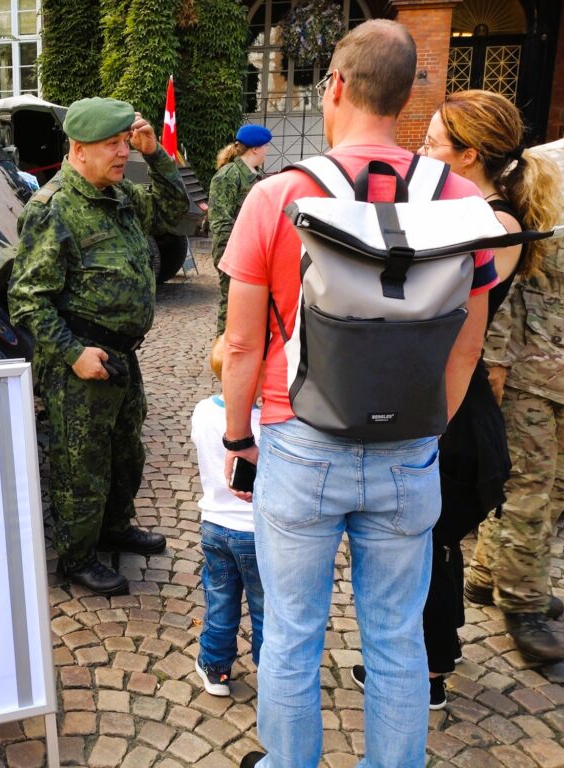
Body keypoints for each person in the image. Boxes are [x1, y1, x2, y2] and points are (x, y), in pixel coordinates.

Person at [220, 21, 498, 768]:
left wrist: (238, 436)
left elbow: (241, 344)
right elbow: (467, 344)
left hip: (301, 437)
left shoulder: (277, 194)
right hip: (410, 447)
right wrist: (425, 429)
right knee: (397, 637)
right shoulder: (459, 199)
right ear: (408, 97)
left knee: (292, 633)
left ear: (335, 86)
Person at [350, 89, 564, 704]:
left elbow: (440, 306)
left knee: (429, 538)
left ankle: (429, 668)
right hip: (445, 388)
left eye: (433, 143)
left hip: (453, 397)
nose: (421, 152)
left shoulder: (492, 224)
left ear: (469, 155)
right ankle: (431, 654)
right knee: (426, 536)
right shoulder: (473, 211)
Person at [8, 97, 189, 596]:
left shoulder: (120, 195)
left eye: (124, 142)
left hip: (122, 355)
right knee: (80, 462)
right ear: (79, 148)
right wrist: (73, 355)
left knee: (125, 452)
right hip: (81, 358)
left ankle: (114, 527)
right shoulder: (53, 209)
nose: (122, 153)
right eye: (112, 144)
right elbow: (27, 300)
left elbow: (175, 212)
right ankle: (77, 557)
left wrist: (155, 154)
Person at [460, 125, 564, 663]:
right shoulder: (548, 168)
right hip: (531, 369)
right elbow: (503, 282)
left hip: (553, 367)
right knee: (528, 489)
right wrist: (495, 363)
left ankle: (486, 574)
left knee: (554, 487)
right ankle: (523, 605)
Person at [191, 335, 264, 696]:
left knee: (220, 600)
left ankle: (215, 668)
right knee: (266, 608)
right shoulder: (265, 424)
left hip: (215, 526)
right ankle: (272, 671)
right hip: (256, 533)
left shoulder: (203, 411)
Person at [207, 125, 272, 336]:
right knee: (231, 305)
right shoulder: (228, 176)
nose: (267, 151)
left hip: (254, 252)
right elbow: (220, 221)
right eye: (265, 146)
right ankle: (223, 349)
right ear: (255, 149)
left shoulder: (256, 175)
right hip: (234, 253)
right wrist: (229, 259)